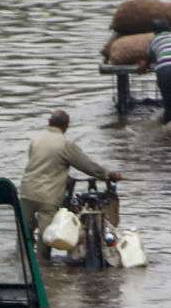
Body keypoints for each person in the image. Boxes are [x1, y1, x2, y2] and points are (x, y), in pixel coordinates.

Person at [19, 110, 124, 260]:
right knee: (46, 236)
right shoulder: (65, 145)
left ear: (49, 123)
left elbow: (41, 165)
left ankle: (22, 262)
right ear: (66, 126)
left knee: (24, 232)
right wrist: (108, 174)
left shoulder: (36, 140)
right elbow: (86, 165)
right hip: (47, 197)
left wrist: (64, 176)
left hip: (26, 192)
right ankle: (43, 268)